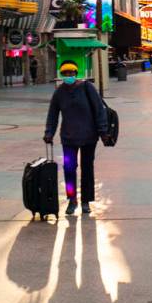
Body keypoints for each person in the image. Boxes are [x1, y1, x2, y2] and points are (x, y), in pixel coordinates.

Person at [43, 61, 109, 216]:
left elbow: (99, 110)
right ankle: (72, 200)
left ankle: (86, 201)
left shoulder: (87, 88)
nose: (68, 76)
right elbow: (53, 114)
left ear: (76, 73)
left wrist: (103, 130)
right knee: (69, 169)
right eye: (65, 74)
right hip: (68, 138)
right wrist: (49, 132)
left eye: (71, 73)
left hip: (89, 137)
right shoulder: (59, 92)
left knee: (87, 169)